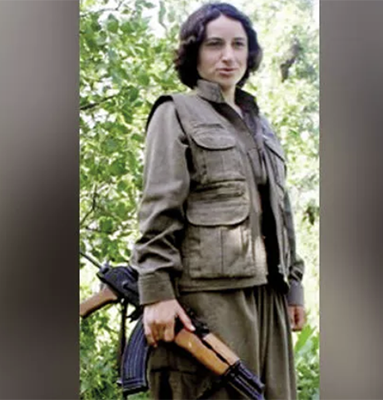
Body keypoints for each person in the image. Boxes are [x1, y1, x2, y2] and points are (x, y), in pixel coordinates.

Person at [130, 3, 306, 399]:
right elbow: (159, 207)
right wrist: (157, 292)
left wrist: (293, 286)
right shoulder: (176, 112)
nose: (228, 56)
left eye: (238, 44)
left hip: (269, 295)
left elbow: (282, 212)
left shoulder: (261, 125)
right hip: (210, 298)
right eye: (214, 44)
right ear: (194, 52)